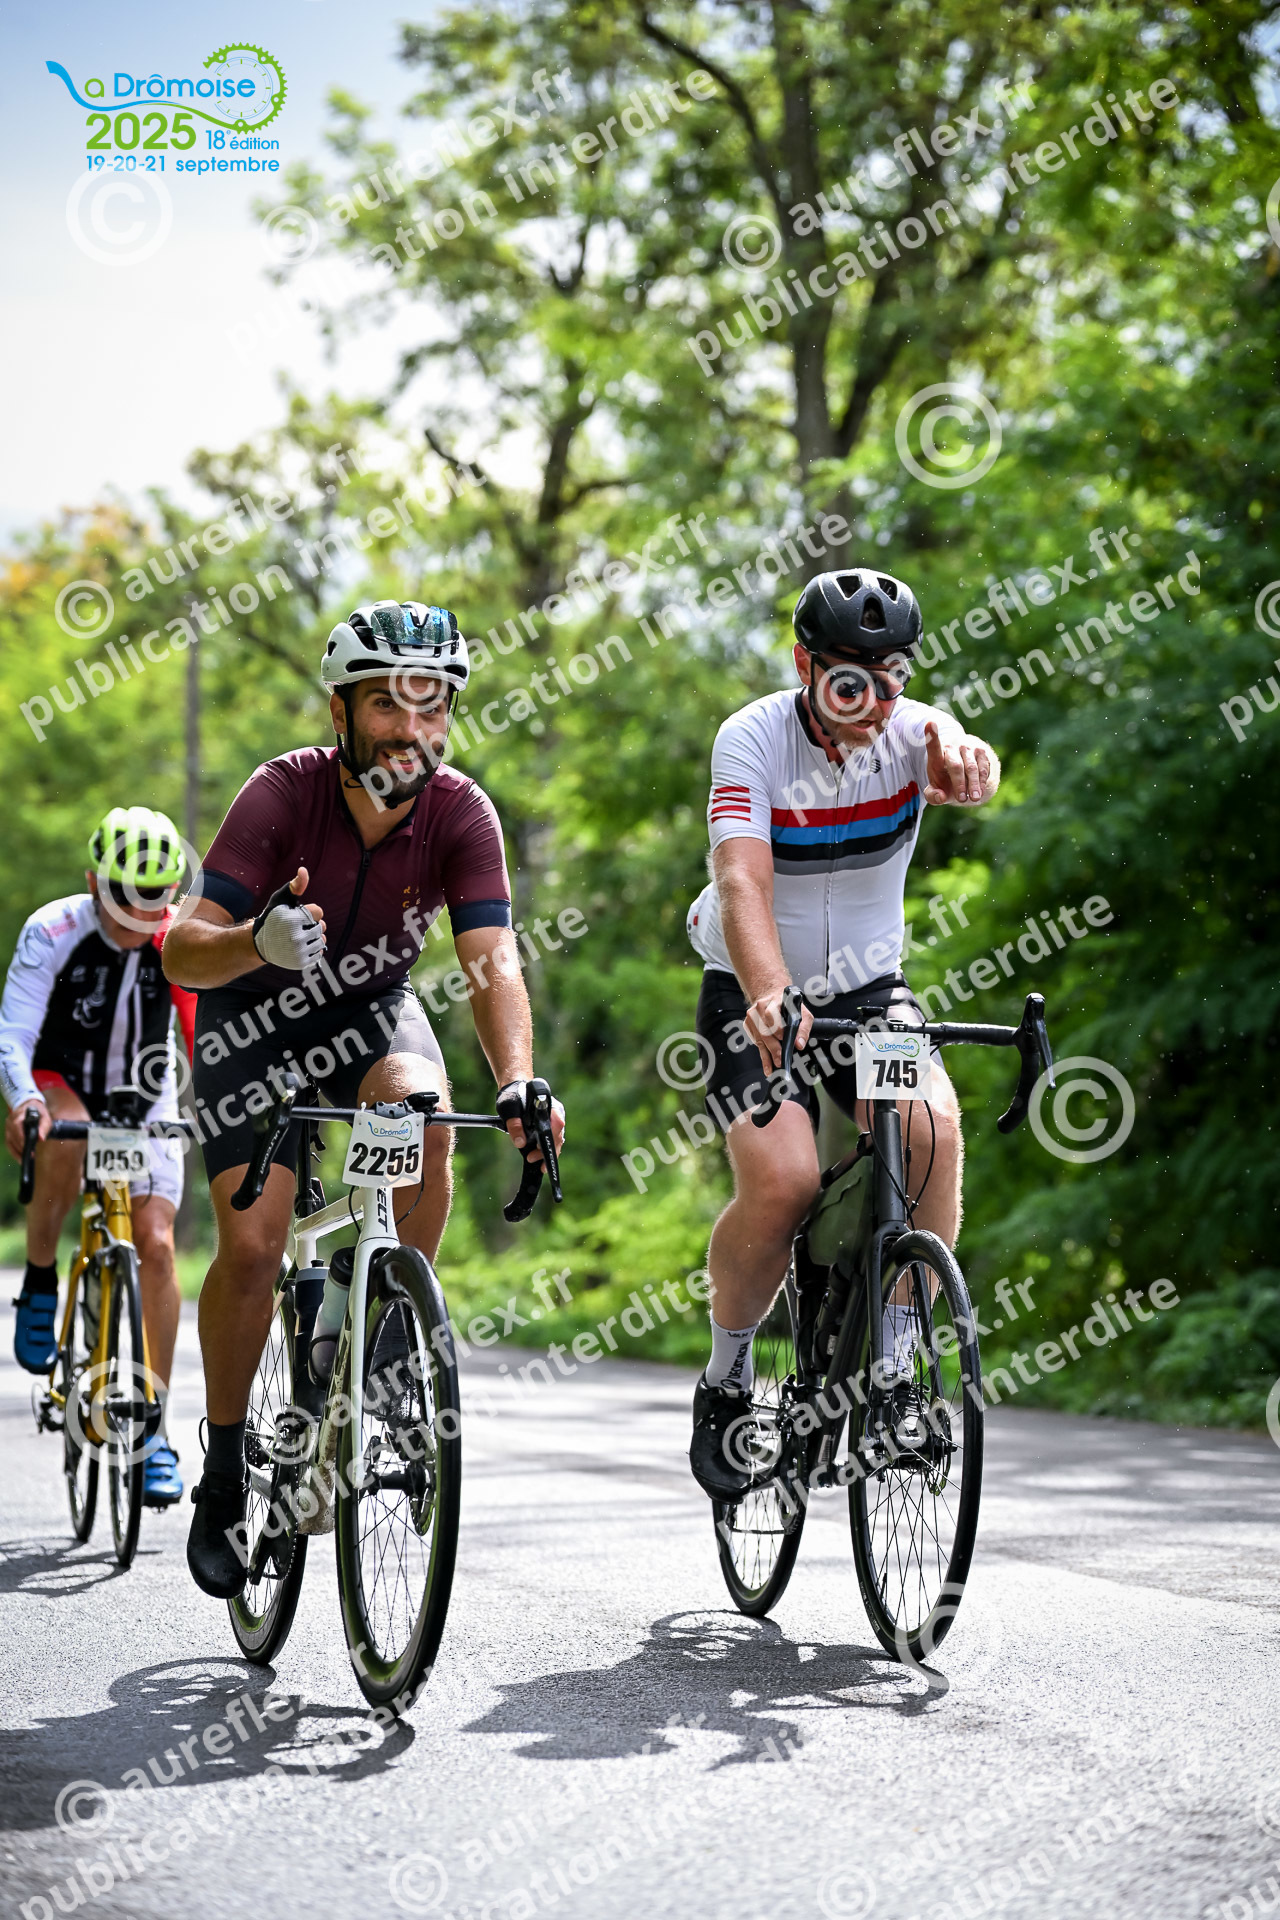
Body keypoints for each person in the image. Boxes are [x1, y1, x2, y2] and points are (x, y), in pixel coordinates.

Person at [163, 599, 565, 1599]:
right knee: (253, 1246)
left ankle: (378, 1331)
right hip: (251, 1018)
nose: (410, 730)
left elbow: (492, 961)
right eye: (387, 705)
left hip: (369, 1012)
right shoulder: (280, 793)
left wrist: (516, 1078)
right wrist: (252, 941)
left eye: (432, 708)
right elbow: (181, 948)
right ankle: (225, 1469)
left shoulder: (461, 813)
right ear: (340, 711)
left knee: (422, 1118)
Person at [684, 567, 999, 1499]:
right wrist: (769, 992)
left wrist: (970, 759)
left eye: (891, 678)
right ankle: (728, 1378)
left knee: (929, 1135)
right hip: (753, 986)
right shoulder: (751, 738)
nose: (873, 703)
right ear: (804, 666)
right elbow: (742, 880)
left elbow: (961, 753)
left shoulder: (911, 729)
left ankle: (894, 1371)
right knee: (781, 1184)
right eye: (849, 680)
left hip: (869, 993)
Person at [0, 807, 194, 1506]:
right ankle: (41, 1279)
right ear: (92, 883)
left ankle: (152, 1426)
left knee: (158, 1245)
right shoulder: (52, 930)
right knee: (66, 1130)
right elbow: (14, 1033)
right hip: (62, 1081)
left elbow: (202, 1033)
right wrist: (23, 1099)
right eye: (124, 899)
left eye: (156, 899)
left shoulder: (180, 936)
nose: (141, 916)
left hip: (145, 1095)